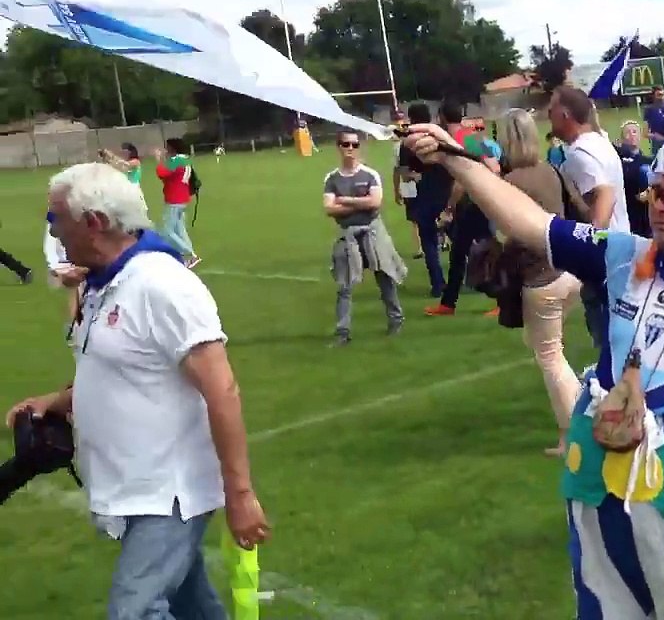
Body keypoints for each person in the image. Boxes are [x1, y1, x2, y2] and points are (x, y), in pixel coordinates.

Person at [402, 111, 664, 618]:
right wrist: (456, 158)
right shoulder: (624, 256)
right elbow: (527, 222)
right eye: (654, 194)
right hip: (606, 501)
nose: (659, 209)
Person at [6, 162, 269, 617]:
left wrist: (240, 495)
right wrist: (56, 401)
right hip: (131, 484)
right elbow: (115, 368)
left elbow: (221, 389)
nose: (52, 234)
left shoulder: (162, 285)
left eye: (56, 220)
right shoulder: (102, 284)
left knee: (135, 610)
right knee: (192, 604)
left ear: (94, 223)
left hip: (169, 490)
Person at [495, 108, 584, 457]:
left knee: (550, 357)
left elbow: (512, 233)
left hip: (541, 278)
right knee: (546, 348)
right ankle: (579, 421)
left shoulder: (512, 182)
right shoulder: (550, 170)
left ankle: (574, 434)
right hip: (567, 271)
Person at [552, 86, 630, 348]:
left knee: (608, 339)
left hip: (606, 259)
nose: (546, 115)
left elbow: (604, 195)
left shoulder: (579, 153)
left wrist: (593, 247)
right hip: (621, 249)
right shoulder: (599, 142)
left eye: (551, 110)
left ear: (565, 114)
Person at [323, 131, 406, 346]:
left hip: (372, 231)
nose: (350, 148)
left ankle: (396, 320)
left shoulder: (370, 174)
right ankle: (343, 332)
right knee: (345, 286)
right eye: (345, 144)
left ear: (360, 147)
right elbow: (329, 208)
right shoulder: (332, 178)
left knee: (385, 277)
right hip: (348, 235)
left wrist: (345, 201)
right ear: (338, 147)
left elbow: (374, 203)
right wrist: (360, 201)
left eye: (354, 144)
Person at [427, 101, 504, 317]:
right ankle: (448, 304)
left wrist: (450, 207)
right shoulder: (472, 137)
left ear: (441, 117)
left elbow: (461, 180)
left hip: (473, 204)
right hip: (478, 202)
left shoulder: (454, 141)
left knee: (486, 252)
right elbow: (494, 166)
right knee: (460, 253)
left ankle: (503, 301)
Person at [397, 101, 454, 298]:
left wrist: (416, 176)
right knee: (458, 238)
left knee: (429, 243)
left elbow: (405, 172)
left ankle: (438, 284)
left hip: (424, 196)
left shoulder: (408, 142)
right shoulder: (439, 135)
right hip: (446, 193)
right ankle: (472, 279)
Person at [154, 137, 200, 269]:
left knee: (168, 231)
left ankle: (190, 255)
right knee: (180, 230)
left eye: (167, 147)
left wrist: (159, 160)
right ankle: (187, 255)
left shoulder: (176, 160)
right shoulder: (185, 159)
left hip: (174, 199)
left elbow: (162, 173)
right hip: (183, 198)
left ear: (172, 148)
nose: (165, 150)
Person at [616, 120, 654, 237]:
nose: (632, 135)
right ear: (621, 139)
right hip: (628, 214)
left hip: (646, 217)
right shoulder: (617, 160)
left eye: (634, 132)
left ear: (640, 136)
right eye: (627, 132)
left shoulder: (649, 161)